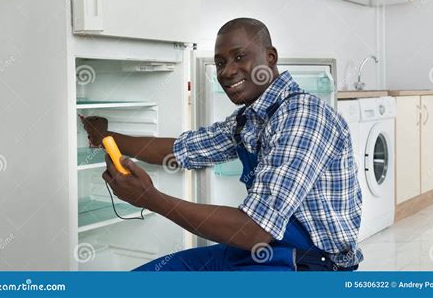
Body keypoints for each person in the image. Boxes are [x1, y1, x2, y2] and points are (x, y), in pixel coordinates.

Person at [81, 17, 363, 271]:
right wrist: (107, 138)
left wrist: (151, 199)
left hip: (310, 266)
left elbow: (254, 229)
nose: (227, 71)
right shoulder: (250, 118)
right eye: (220, 62)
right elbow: (181, 150)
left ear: (271, 57)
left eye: (239, 57)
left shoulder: (301, 116)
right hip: (265, 250)